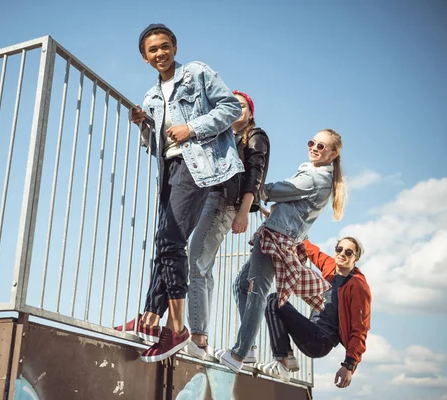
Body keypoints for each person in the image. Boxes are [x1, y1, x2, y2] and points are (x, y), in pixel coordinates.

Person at [123, 23, 244, 363]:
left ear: (175, 47)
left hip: (199, 167)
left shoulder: (197, 73)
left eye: (164, 46)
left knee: (169, 242)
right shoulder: (151, 97)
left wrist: (191, 128)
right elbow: (156, 146)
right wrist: (144, 128)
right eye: (152, 50)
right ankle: (149, 320)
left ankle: (176, 330)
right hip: (170, 172)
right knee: (167, 242)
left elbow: (231, 109)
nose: (159, 53)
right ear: (145, 59)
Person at [219, 129, 347, 372]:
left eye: (321, 146)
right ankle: (248, 349)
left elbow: (278, 189)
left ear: (333, 154)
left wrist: (248, 188)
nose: (314, 148)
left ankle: (238, 355)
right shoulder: (318, 175)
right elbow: (292, 205)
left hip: (275, 238)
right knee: (241, 285)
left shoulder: (316, 178)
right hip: (279, 233)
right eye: (312, 142)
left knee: (256, 293)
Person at [185, 90, 270, 361]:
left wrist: (244, 211)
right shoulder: (225, 138)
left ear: (251, 113)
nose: (236, 110)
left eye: (241, 106)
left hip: (224, 202)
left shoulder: (256, 136)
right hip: (210, 200)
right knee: (203, 266)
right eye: (231, 107)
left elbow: (255, 175)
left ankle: (198, 338)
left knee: (196, 261)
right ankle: (201, 336)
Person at [256, 237, 371, 388]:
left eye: (348, 252)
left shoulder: (358, 286)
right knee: (274, 300)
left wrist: (349, 366)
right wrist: (281, 224)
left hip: (322, 341)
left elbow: (360, 329)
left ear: (355, 258)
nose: (342, 254)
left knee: (274, 301)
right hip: (312, 331)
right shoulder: (330, 266)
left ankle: (282, 362)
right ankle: (287, 358)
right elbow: (310, 248)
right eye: (339, 249)